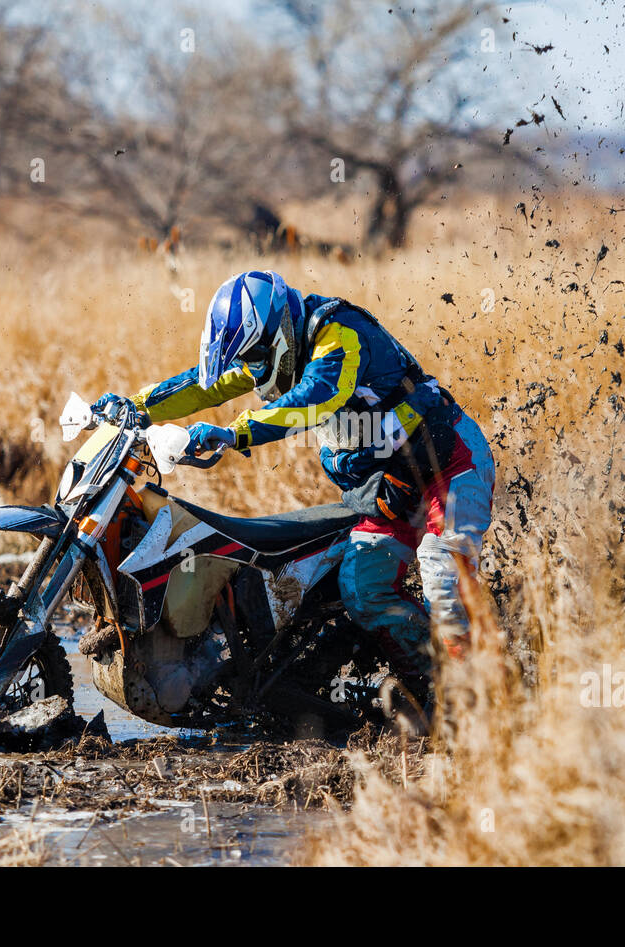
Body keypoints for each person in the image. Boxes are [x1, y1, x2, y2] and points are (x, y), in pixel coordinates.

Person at [95, 270, 494, 700]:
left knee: (441, 575)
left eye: (256, 356)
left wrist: (234, 433)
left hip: (449, 465)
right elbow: (202, 386)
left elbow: (315, 397)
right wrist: (134, 408)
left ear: (279, 332)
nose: (252, 369)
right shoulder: (265, 354)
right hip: (387, 491)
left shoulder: (338, 333)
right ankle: (435, 691)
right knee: (362, 588)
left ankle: (484, 702)